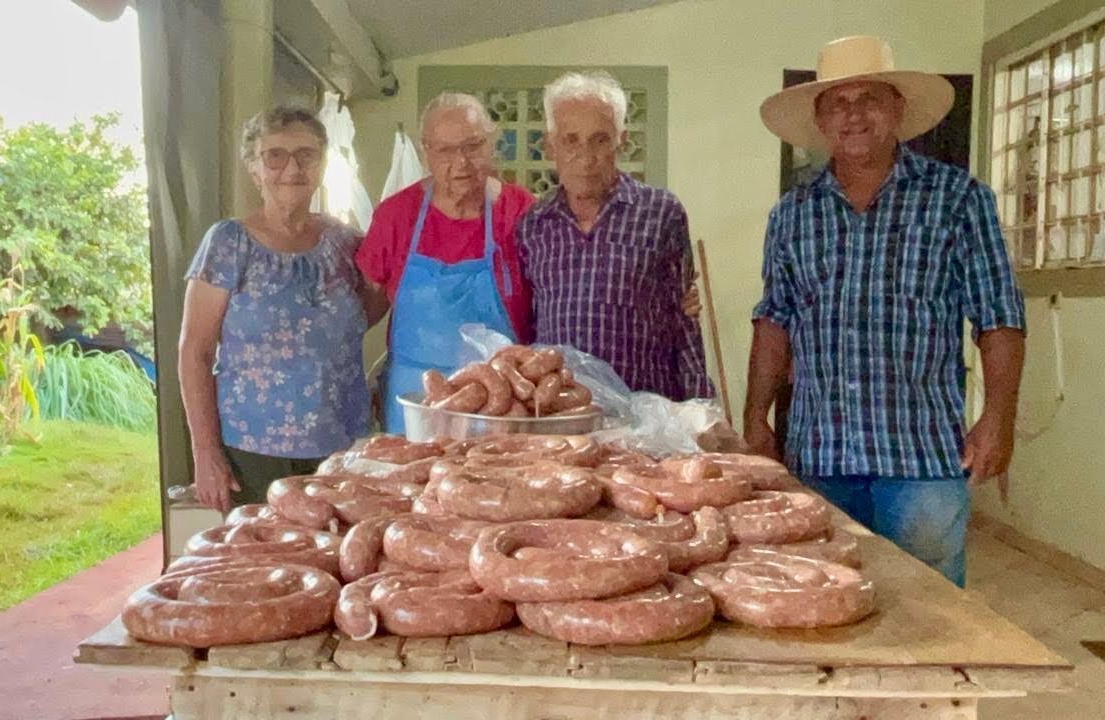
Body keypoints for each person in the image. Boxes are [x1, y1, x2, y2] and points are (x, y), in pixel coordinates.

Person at [744, 36, 1027, 586]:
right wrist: (757, 418)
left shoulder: (958, 199)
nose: (853, 115)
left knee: (931, 609)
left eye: (868, 98)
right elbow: (774, 320)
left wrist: (998, 419)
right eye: (837, 102)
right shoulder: (792, 214)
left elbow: (999, 316)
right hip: (819, 455)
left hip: (920, 459)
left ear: (897, 108)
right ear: (821, 120)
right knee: (823, 599)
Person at [179, 106, 387, 512]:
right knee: (264, 564)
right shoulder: (228, 242)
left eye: (306, 154)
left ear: (322, 164)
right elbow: (194, 352)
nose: (292, 167)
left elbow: (367, 312)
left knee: (342, 564)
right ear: (254, 167)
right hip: (254, 453)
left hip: (343, 447)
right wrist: (205, 454)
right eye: (275, 155)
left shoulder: (346, 243)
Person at [517, 71, 714, 401]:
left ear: (621, 139)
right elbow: (529, 326)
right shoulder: (533, 225)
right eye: (571, 140)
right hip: (560, 414)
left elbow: (684, 323)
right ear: (550, 145)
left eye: (600, 139)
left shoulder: (661, 212)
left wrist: (701, 410)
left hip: (644, 413)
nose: (586, 157)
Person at [357, 93, 538, 434]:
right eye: (445, 150)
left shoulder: (522, 212)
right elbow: (364, 309)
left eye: (473, 146)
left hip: (502, 407)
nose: (461, 163)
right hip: (416, 402)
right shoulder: (396, 216)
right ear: (426, 151)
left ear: (492, 144)